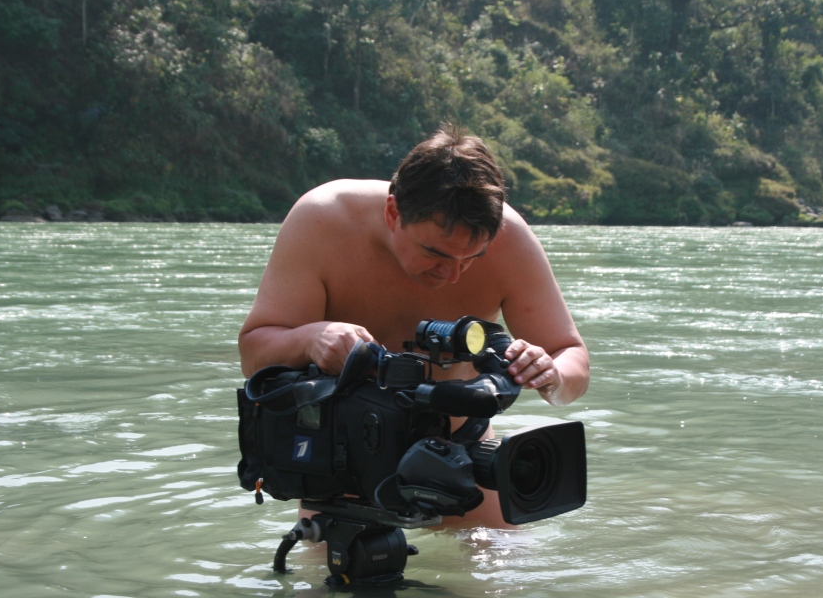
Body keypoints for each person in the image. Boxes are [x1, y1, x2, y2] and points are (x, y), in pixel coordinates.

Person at [238, 124, 589, 527]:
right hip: (348, 457)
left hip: (460, 452)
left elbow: (572, 357)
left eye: (472, 258)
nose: (452, 275)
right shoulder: (323, 220)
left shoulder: (511, 239)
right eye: (435, 253)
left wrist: (551, 374)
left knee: (505, 564)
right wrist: (309, 339)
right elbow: (253, 356)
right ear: (393, 212)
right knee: (329, 569)